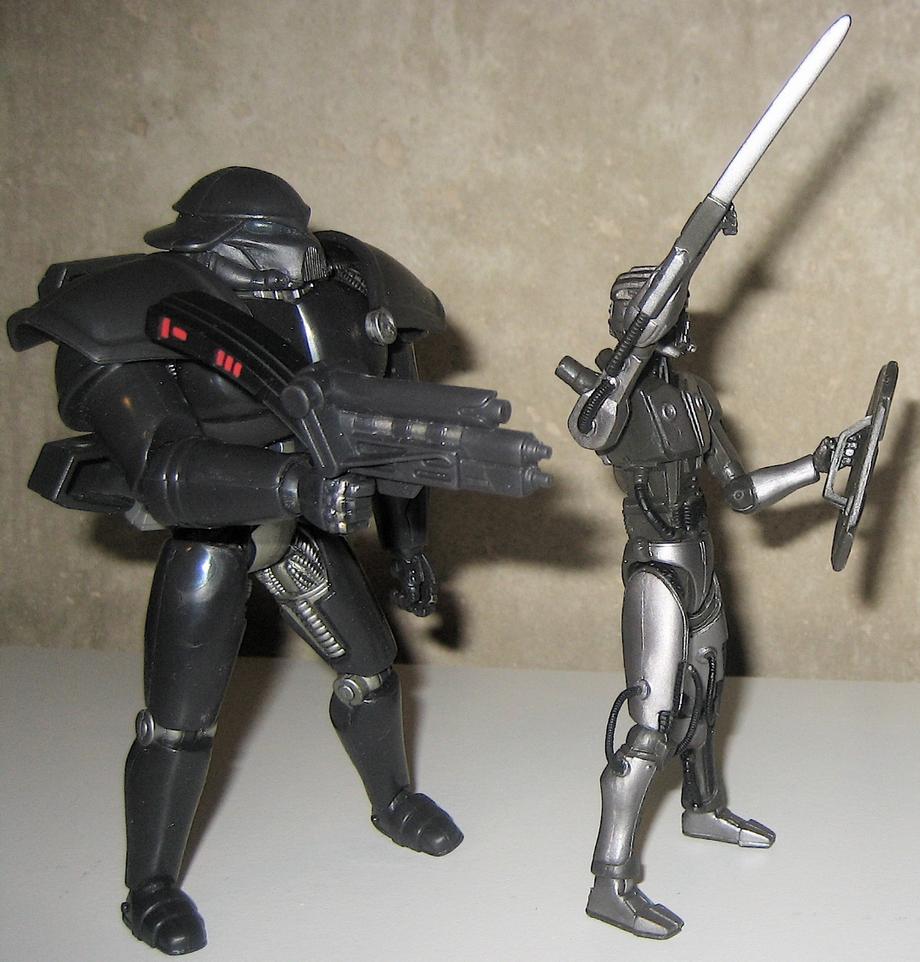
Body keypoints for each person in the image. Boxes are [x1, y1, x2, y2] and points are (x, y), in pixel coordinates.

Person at [8, 167, 465, 954]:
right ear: (207, 247)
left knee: (372, 669)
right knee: (178, 725)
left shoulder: (349, 299)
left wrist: (409, 545)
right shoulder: (127, 313)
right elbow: (164, 465)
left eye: (294, 248)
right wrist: (295, 485)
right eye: (262, 250)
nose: (289, 269)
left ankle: (392, 799)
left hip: (304, 525)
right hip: (212, 535)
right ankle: (150, 885)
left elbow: (396, 434)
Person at [558, 267, 839, 939]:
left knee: (707, 699)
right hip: (655, 572)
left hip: (702, 563)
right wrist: (631, 351)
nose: (684, 325)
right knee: (650, 730)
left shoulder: (693, 397)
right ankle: (609, 882)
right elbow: (591, 430)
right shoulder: (611, 399)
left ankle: (703, 807)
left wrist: (817, 464)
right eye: (671, 312)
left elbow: (741, 491)